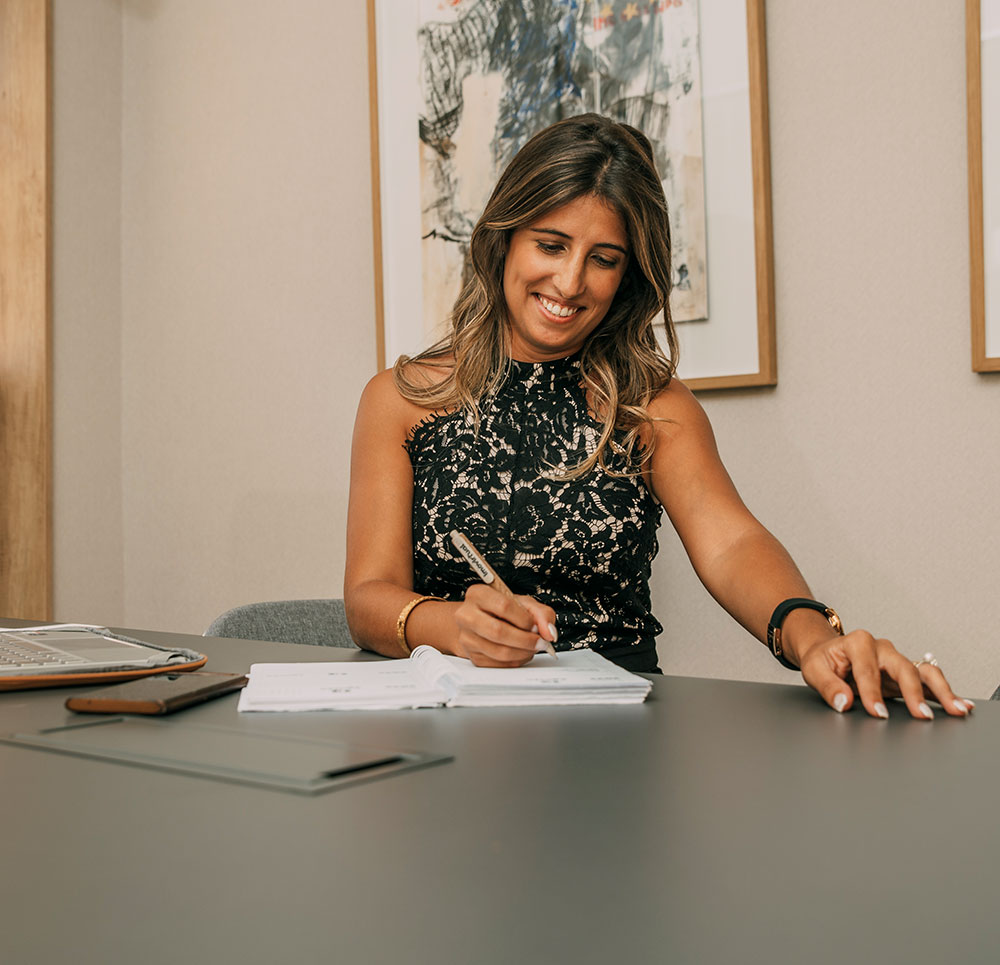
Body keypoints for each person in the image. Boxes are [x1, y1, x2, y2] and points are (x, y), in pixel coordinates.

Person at [345, 113, 972, 720]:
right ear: (503, 238)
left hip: (619, 731)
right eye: (551, 245)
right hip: (450, 721)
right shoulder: (401, 399)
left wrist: (813, 638)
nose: (570, 282)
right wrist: (452, 626)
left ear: (628, 275)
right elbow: (368, 597)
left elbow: (732, 543)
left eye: (604, 258)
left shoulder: (652, 406)